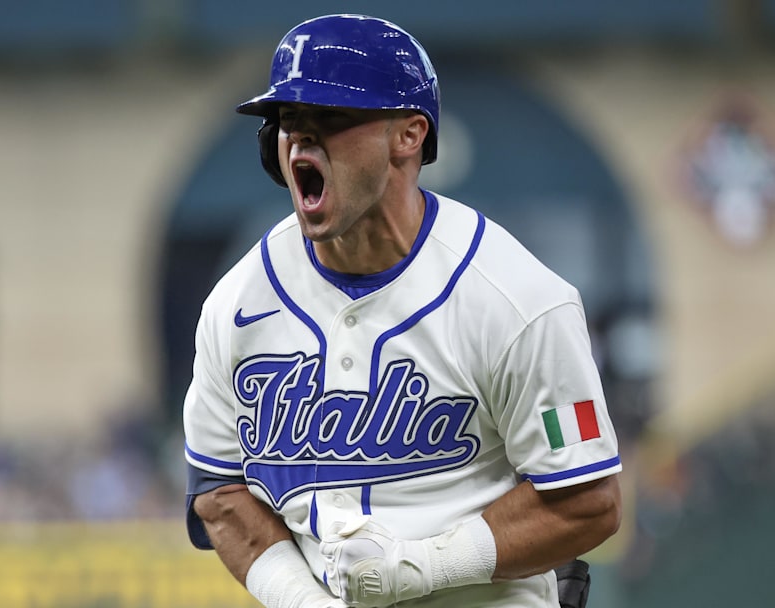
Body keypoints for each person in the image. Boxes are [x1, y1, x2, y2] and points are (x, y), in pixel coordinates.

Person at [183, 13, 622, 608]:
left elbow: (588, 502)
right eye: (288, 121)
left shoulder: (517, 301)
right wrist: (303, 601)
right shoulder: (236, 305)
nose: (301, 140)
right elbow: (220, 493)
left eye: (330, 118)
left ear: (408, 135)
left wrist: (422, 567)